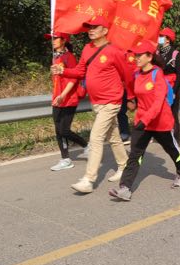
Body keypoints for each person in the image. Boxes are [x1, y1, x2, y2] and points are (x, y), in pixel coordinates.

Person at [52, 15, 130, 194]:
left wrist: (131, 97)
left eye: (95, 27)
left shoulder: (114, 51)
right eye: (89, 27)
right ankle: (124, 165)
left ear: (105, 30)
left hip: (111, 101)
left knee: (95, 138)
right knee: (114, 137)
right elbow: (80, 71)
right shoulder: (87, 49)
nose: (91, 30)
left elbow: (127, 75)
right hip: (97, 102)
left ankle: (88, 180)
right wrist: (63, 71)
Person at [109, 40, 180, 201]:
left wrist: (146, 119)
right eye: (135, 55)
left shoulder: (157, 74)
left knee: (172, 150)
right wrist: (131, 100)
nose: (136, 58)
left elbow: (159, 101)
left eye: (139, 55)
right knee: (135, 154)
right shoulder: (137, 74)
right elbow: (130, 86)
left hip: (160, 122)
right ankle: (125, 188)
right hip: (142, 121)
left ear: (149, 57)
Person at [47, 31, 87, 171]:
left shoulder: (69, 57)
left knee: (64, 130)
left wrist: (63, 95)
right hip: (57, 97)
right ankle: (65, 159)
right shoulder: (55, 57)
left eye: (56, 38)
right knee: (58, 131)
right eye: (52, 38)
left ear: (64, 40)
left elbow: (74, 78)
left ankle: (86, 146)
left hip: (68, 98)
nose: (53, 41)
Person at [157, 27, 180, 145]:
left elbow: (179, 74)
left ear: (168, 39)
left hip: (173, 87)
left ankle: (176, 141)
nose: (159, 39)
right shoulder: (157, 53)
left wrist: (174, 91)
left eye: (161, 36)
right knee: (161, 113)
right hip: (160, 86)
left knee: (173, 114)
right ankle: (163, 136)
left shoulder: (175, 54)